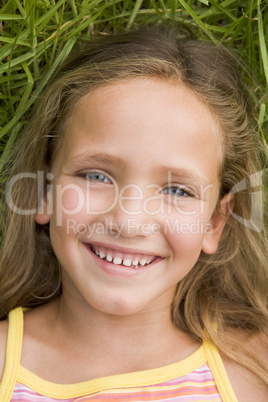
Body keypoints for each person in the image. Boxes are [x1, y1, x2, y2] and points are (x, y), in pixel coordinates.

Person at [0, 25, 267, 401]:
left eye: (177, 190)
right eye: (96, 175)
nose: (128, 222)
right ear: (44, 192)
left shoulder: (253, 372)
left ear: (214, 223)